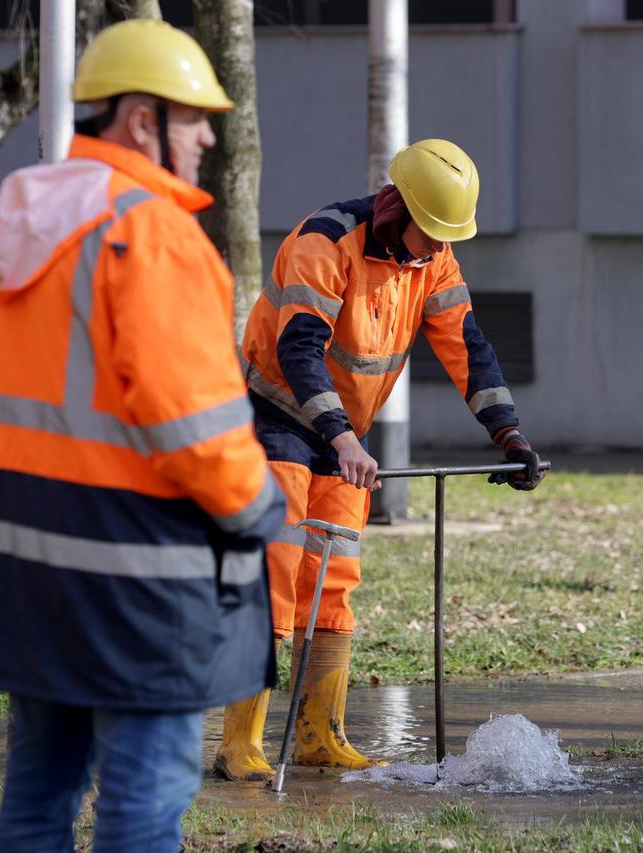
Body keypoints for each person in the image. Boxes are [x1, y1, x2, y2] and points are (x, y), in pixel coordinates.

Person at [0, 20, 285, 851]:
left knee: (38, 789)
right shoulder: (155, 233)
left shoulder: (21, 218)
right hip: (133, 570)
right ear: (142, 120)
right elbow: (194, 422)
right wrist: (260, 505)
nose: (211, 132)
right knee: (146, 796)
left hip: (21, 553)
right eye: (194, 116)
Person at [214, 138, 544, 780]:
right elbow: (300, 350)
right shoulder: (325, 242)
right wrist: (341, 437)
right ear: (400, 209)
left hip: (344, 435)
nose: (437, 246)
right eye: (431, 232)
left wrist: (509, 434)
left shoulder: (436, 262)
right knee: (272, 575)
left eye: (447, 237)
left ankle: (318, 736)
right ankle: (240, 744)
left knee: (333, 580)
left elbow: (467, 347)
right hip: (273, 415)